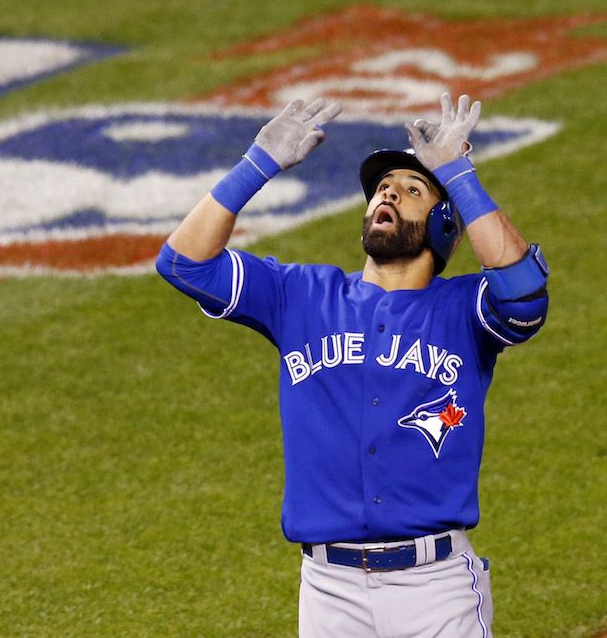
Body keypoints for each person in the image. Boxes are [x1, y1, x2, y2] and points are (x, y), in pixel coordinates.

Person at [156, 93, 549, 637]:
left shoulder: (463, 308)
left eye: (411, 190)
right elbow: (184, 263)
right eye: (382, 188)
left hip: (434, 589)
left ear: (441, 228)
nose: (388, 191)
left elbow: (525, 292)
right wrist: (257, 164)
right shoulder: (300, 295)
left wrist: (458, 175)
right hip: (327, 591)